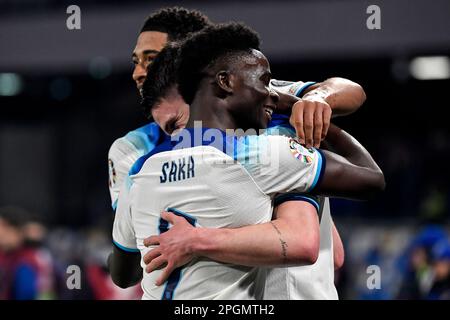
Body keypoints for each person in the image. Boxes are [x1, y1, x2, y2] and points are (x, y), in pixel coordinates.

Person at [108, 23, 385, 300]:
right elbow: (316, 240)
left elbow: (351, 91)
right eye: (171, 129)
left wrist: (314, 104)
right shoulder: (138, 156)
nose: (140, 72)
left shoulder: (142, 166)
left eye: (154, 59)